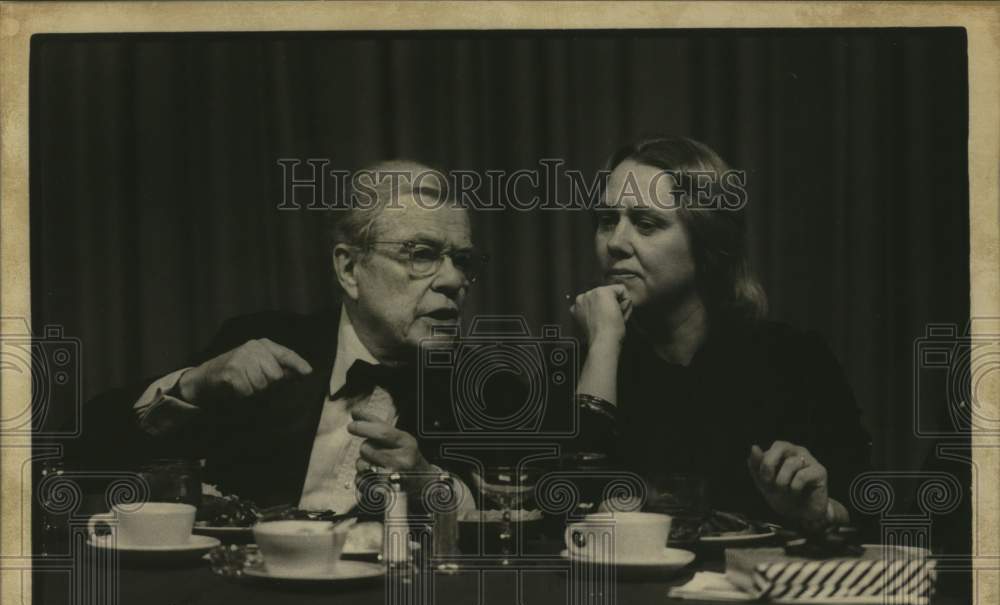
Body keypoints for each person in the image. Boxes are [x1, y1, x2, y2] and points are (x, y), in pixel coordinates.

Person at [76, 161, 488, 512]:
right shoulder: (262, 344)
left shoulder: (487, 387)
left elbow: (528, 516)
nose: (453, 280)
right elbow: (83, 456)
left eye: (462, 260)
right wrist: (192, 386)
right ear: (349, 269)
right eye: (421, 254)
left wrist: (427, 484)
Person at [570, 136, 872, 532]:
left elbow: (867, 510)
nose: (614, 243)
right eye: (607, 221)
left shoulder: (794, 361)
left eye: (645, 224)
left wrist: (820, 511)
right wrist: (605, 344)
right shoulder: (587, 364)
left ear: (708, 240)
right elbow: (569, 513)